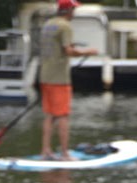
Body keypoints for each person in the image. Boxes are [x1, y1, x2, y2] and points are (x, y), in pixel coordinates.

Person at [39, 0, 98, 160]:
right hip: (59, 78)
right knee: (63, 115)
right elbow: (68, 51)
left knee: (50, 115)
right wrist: (88, 52)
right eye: (73, 10)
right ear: (68, 11)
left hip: (45, 75)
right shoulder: (65, 26)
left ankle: (45, 151)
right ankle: (65, 153)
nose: (74, 13)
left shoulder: (48, 24)